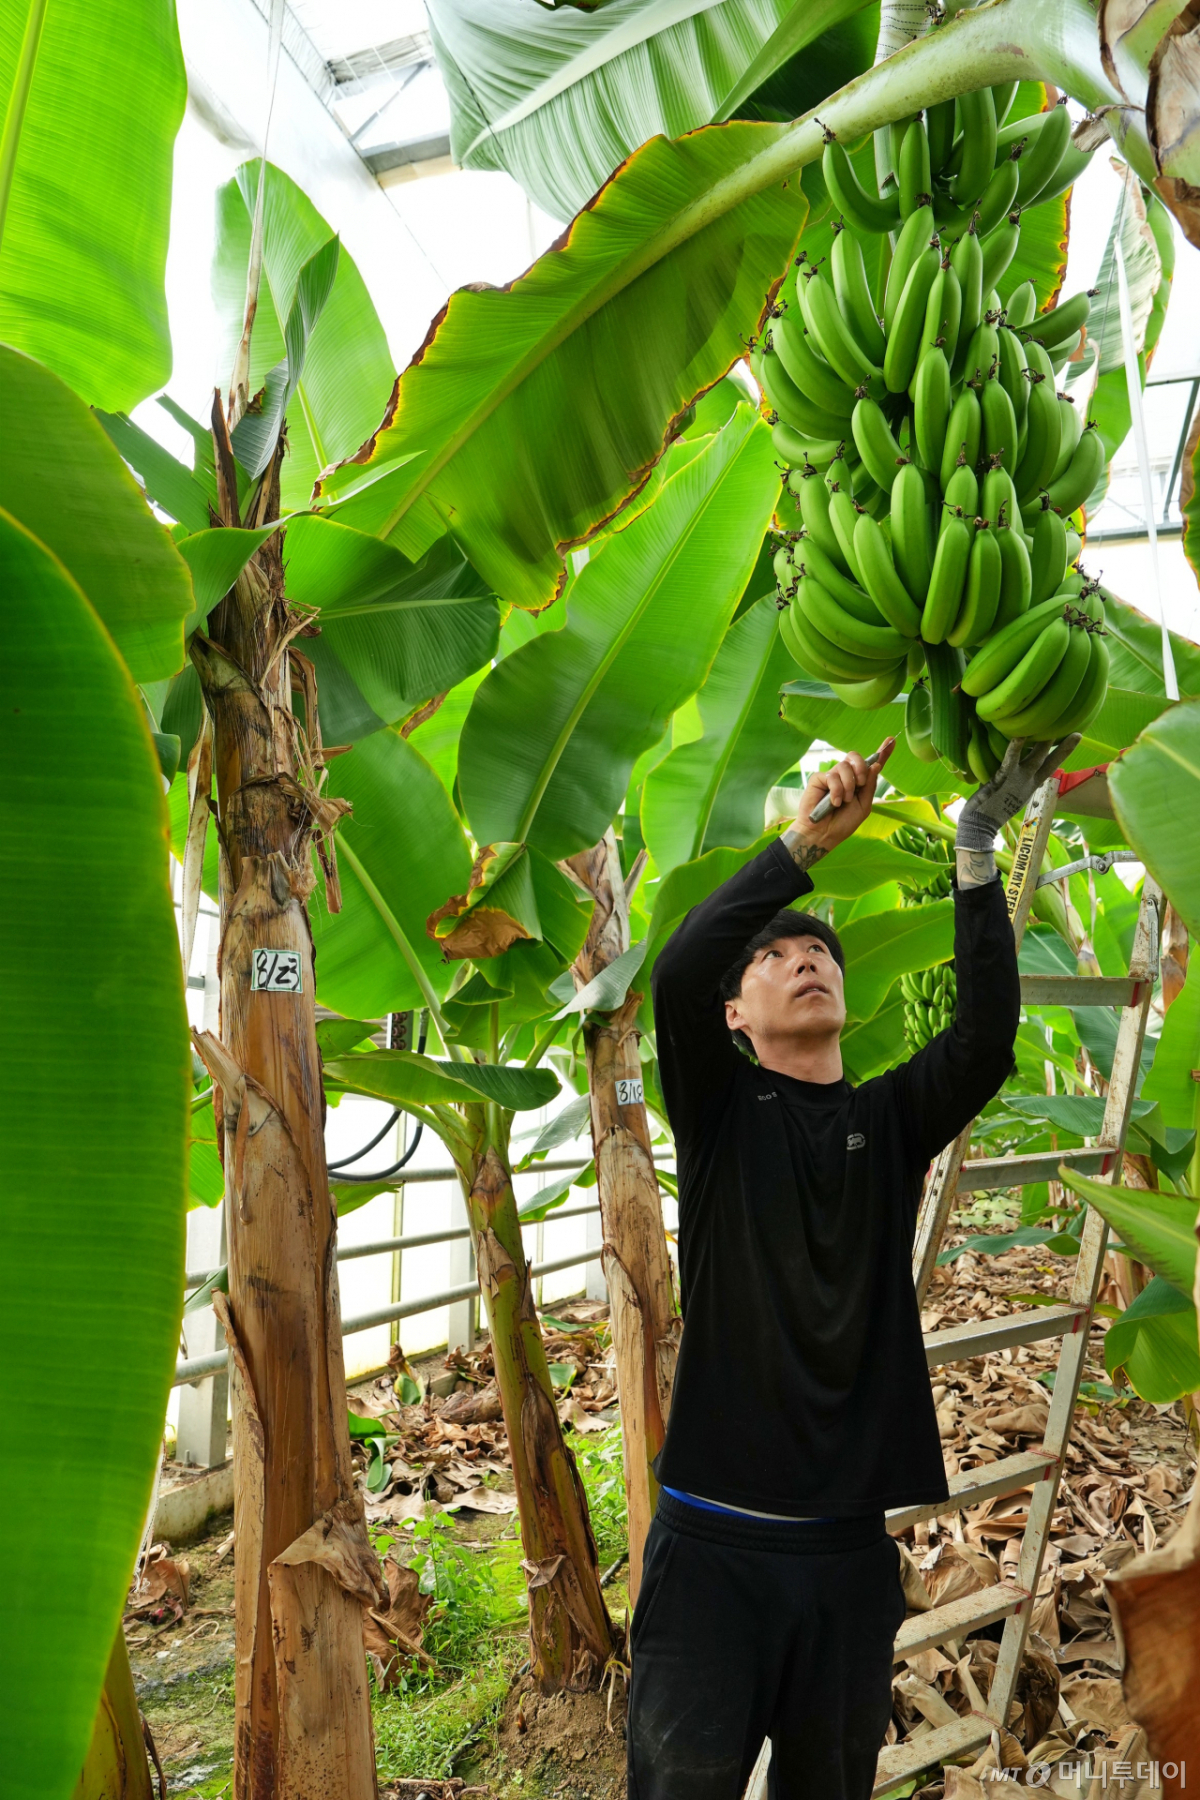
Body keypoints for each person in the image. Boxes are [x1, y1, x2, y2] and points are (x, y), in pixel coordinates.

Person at [626, 733, 1077, 1800]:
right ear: (736, 1018)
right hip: (712, 1555)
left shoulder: (887, 1119)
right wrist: (804, 845)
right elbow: (685, 968)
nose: (805, 958)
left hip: (843, 1561)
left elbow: (984, 1039)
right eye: (775, 958)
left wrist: (977, 845)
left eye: (819, 950)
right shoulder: (722, 1115)